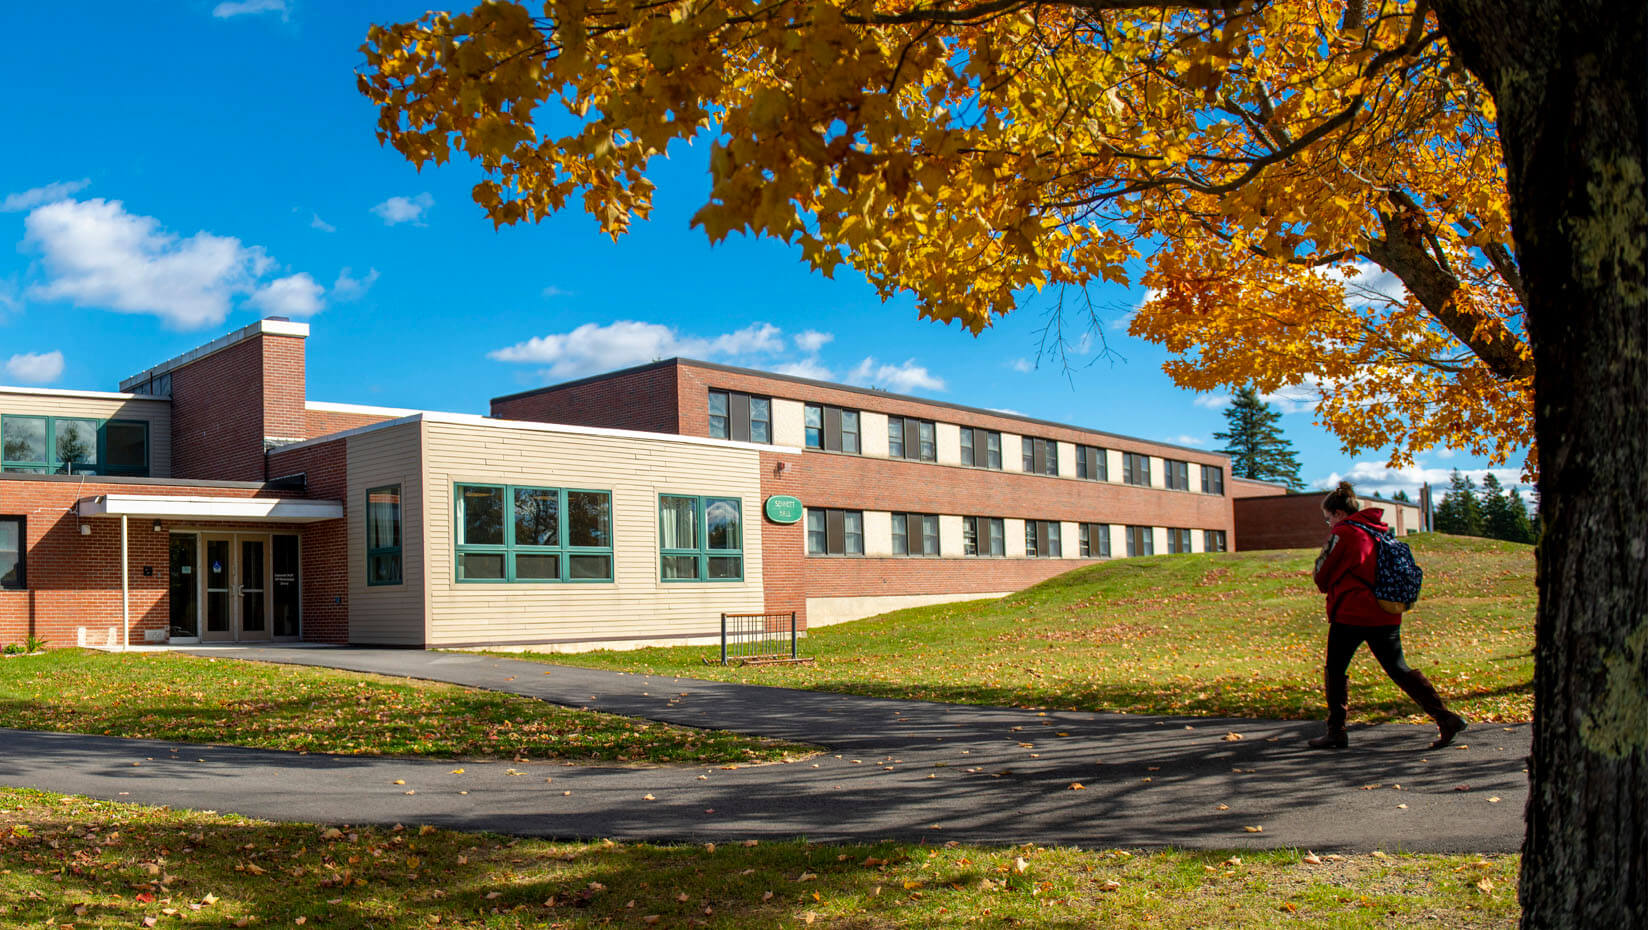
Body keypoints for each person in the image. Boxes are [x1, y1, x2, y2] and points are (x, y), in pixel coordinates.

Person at [1308, 481, 1468, 749]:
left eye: (1328, 519)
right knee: (1399, 669)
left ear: (1338, 513)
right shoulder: (1379, 531)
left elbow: (1322, 575)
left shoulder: (1344, 533)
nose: (1329, 524)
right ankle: (1445, 717)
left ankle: (1336, 731)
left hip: (1351, 613)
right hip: (1386, 611)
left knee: (1335, 670)